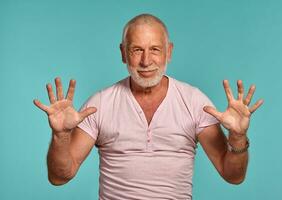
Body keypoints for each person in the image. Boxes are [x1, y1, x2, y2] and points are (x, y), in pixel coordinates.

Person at [34, 14, 263, 200]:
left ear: (169, 52)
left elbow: (233, 175)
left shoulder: (194, 102)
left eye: (155, 49)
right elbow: (59, 176)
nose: (146, 61)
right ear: (123, 53)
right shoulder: (100, 104)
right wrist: (61, 135)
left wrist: (237, 136)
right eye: (136, 50)